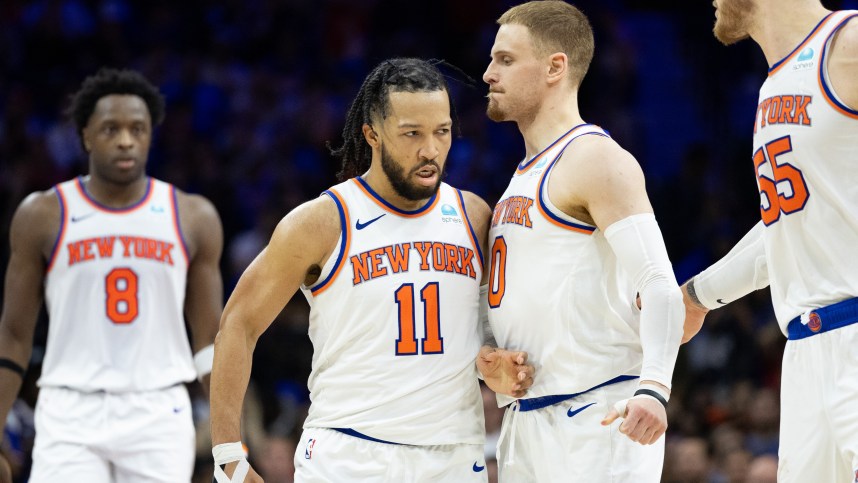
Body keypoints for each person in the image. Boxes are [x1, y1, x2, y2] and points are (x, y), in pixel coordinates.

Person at [209, 58, 534, 483]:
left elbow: (486, 328)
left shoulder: (473, 215)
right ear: (372, 135)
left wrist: (495, 360)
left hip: (454, 456)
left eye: (442, 132)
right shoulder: (322, 222)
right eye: (412, 133)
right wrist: (229, 456)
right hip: (350, 454)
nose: (430, 149)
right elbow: (238, 323)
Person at [482, 2, 685, 481]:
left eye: (506, 60)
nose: (488, 73)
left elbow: (658, 282)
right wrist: (491, 364)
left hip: (597, 417)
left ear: (556, 67)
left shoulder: (592, 157)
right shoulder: (518, 178)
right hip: (528, 422)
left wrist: (655, 387)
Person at [0, 68, 224, 482]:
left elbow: (209, 343)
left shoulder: (192, 216)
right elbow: (14, 336)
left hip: (158, 410)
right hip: (69, 409)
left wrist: (231, 438)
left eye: (137, 128)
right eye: (110, 128)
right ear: (85, 135)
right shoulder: (42, 214)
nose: (125, 139)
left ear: (150, 135)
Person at [681, 1, 858, 481]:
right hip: (804, 350)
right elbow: (788, 230)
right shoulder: (773, 85)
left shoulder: (849, 42)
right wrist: (697, 296)